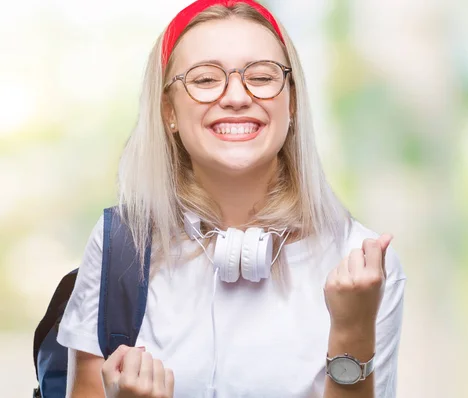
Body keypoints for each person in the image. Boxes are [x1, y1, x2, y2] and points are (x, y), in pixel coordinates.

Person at [56, 0, 407, 397]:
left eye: (261, 76)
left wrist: (352, 330)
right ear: (169, 110)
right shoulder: (121, 248)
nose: (237, 96)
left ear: (291, 102)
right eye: (205, 80)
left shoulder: (360, 264)